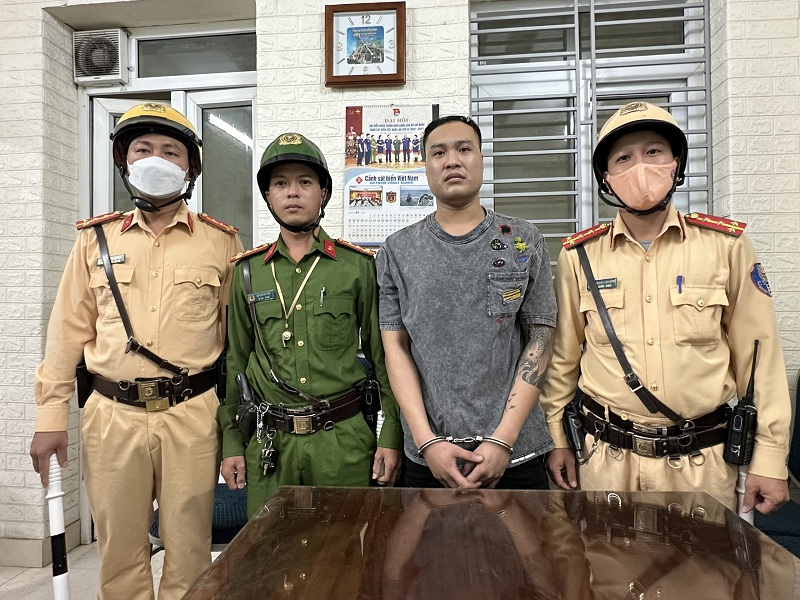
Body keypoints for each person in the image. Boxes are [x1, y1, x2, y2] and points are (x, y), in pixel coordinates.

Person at [29, 102, 243, 600]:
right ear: (124, 161)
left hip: (191, 413)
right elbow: (65, 333)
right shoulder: (94, 241)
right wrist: (50, 416)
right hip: (111, 414)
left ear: (190, 168)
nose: (156, 160)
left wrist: (234, 427)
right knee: (120, 555)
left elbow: (235, 342)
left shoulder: (221, 242)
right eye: (143, 150)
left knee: (190, 554)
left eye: (171, 152)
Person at [541, 101, 791, 514]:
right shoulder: (579, 256)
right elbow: (561, 361)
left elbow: (760, 359)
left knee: (709, 559)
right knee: (603, 558)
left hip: (703, 464)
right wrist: (557, 439)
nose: (640, 167)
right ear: (607, 177)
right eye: (623, 158)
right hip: (605, 461)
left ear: (676, 163)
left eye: (654, 151)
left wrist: (770, 457)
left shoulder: (725, 246)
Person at [219, 132, 403, 517]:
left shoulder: (357, 267)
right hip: (271, 442)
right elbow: (236, 363)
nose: (292, 192)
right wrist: (232, 441)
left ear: (323, 193)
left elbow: (385, 357)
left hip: (342, 442)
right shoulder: (248, 271)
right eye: (280, 184)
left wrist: (391, 434)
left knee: (345, 546)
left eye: (305, 182)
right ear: (268, 196)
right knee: (270, 548)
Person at [376, 115, 557, 489]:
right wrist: (426, 441)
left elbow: (541, 339)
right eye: (438, 153)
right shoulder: (397, 251)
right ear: (426, 166)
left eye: (464, 149)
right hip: (428, 454)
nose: (452, 161)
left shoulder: (523, 240)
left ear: (481, 160)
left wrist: (502, 439)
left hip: (517, 451)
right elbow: (395, 348)